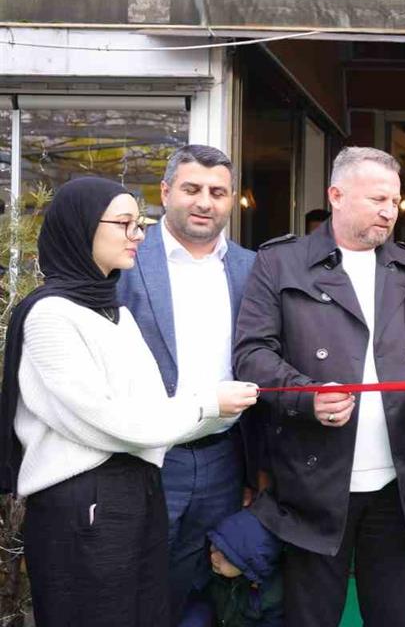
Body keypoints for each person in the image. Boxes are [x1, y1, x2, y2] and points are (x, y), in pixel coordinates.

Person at [1, 177, 258, 626]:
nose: (137, 235)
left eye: (139, 223)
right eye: (124, 224)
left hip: (137, 490)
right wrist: (209, 404)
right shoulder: (50, 315)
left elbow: (151, 406)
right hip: (82, 504)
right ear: (82, 228)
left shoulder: (113, 311)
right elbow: (118, 421)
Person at [234, 147, 405, 627]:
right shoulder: (280, 262)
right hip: (313, 480)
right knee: (311, 617)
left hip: (398, 481)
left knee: (393, 617)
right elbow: (252, 354)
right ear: (336, 195)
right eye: (378, 199)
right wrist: (307, 395)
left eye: (395, 201)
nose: (390, 211)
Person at [116, 144, 261, 624]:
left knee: (205, 588)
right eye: (192, 189)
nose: (204, 202)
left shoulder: (250, 267)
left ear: (231, 199)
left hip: (224, 457)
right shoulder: (127, 261)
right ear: (165, 192)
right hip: (147, 455)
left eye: (218, 192)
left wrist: (253, 471)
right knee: (137, 585)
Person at [203, 509, 285, 627]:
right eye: (216, 546)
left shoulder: (270, 597)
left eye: (227, 557)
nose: (214, 557)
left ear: (250, 568)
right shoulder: (215, 574)